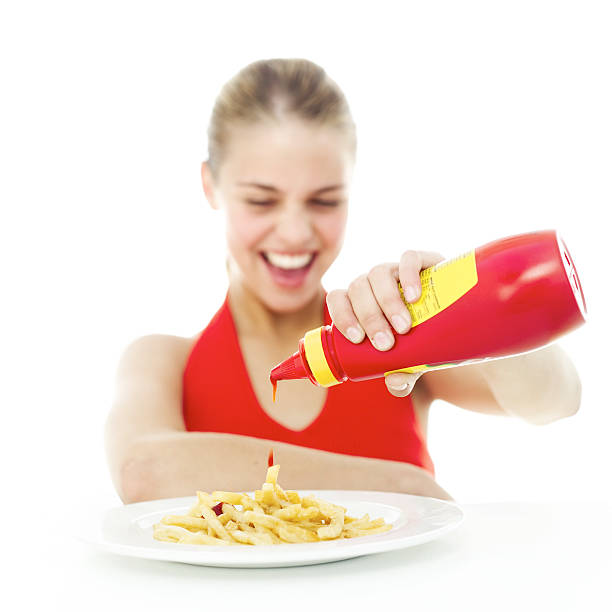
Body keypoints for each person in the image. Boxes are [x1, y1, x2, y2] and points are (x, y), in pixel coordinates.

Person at [105, 58, 581, 505]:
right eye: (261, 200)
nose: (294, 232)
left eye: (325, 201)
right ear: (210, 186)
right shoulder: (165, 361)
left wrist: (466, 307)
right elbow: (144, 471)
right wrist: (399, 486)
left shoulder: (396, 332)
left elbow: (556, 402)